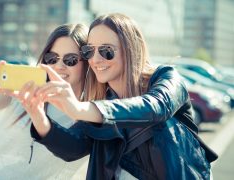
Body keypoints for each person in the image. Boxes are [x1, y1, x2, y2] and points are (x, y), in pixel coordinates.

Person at [17, 13, 218, 179]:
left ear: (130, 50)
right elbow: (73, 148)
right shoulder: (102, 106)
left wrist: (79, 109)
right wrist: (38, 116)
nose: (95, 59)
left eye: (107, 51)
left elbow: (156, 107)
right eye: (89, 51)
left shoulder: (165, 78)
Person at [0, 24, 89, 180]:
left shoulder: (89, 113)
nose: (59, 66)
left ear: (86, 63)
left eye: (71, 59)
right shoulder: (28, 87)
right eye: (52, 58)